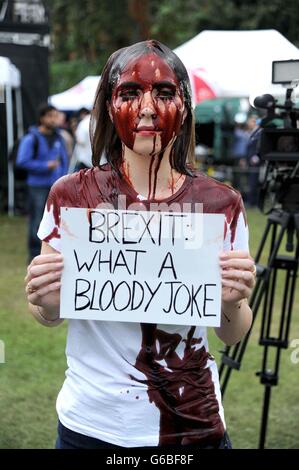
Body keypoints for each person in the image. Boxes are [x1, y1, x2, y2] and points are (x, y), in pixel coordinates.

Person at [24, 40, 255, 449]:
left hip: (191, 426)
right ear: (109, 107)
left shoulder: (222, 204)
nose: (147, 107)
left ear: (183, 107)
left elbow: (231, 334)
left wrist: (233, 301)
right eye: (130, 92)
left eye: (164, 93)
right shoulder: (71, 196)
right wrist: (43, 298)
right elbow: (48, 314)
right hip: (92, 425)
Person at [16, 104, 69, 262]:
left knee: (57, 219)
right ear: (42, 118)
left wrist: (64, 178)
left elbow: (64, 159)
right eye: (51, 116)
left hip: (55, 185)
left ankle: (51, 252)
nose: (54, 120)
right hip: (37, 185)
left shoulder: (59, 137)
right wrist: (44, 166)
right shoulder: (31, 138)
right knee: (37, 219)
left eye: (56, 116)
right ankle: (34, 254)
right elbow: (22, 161)